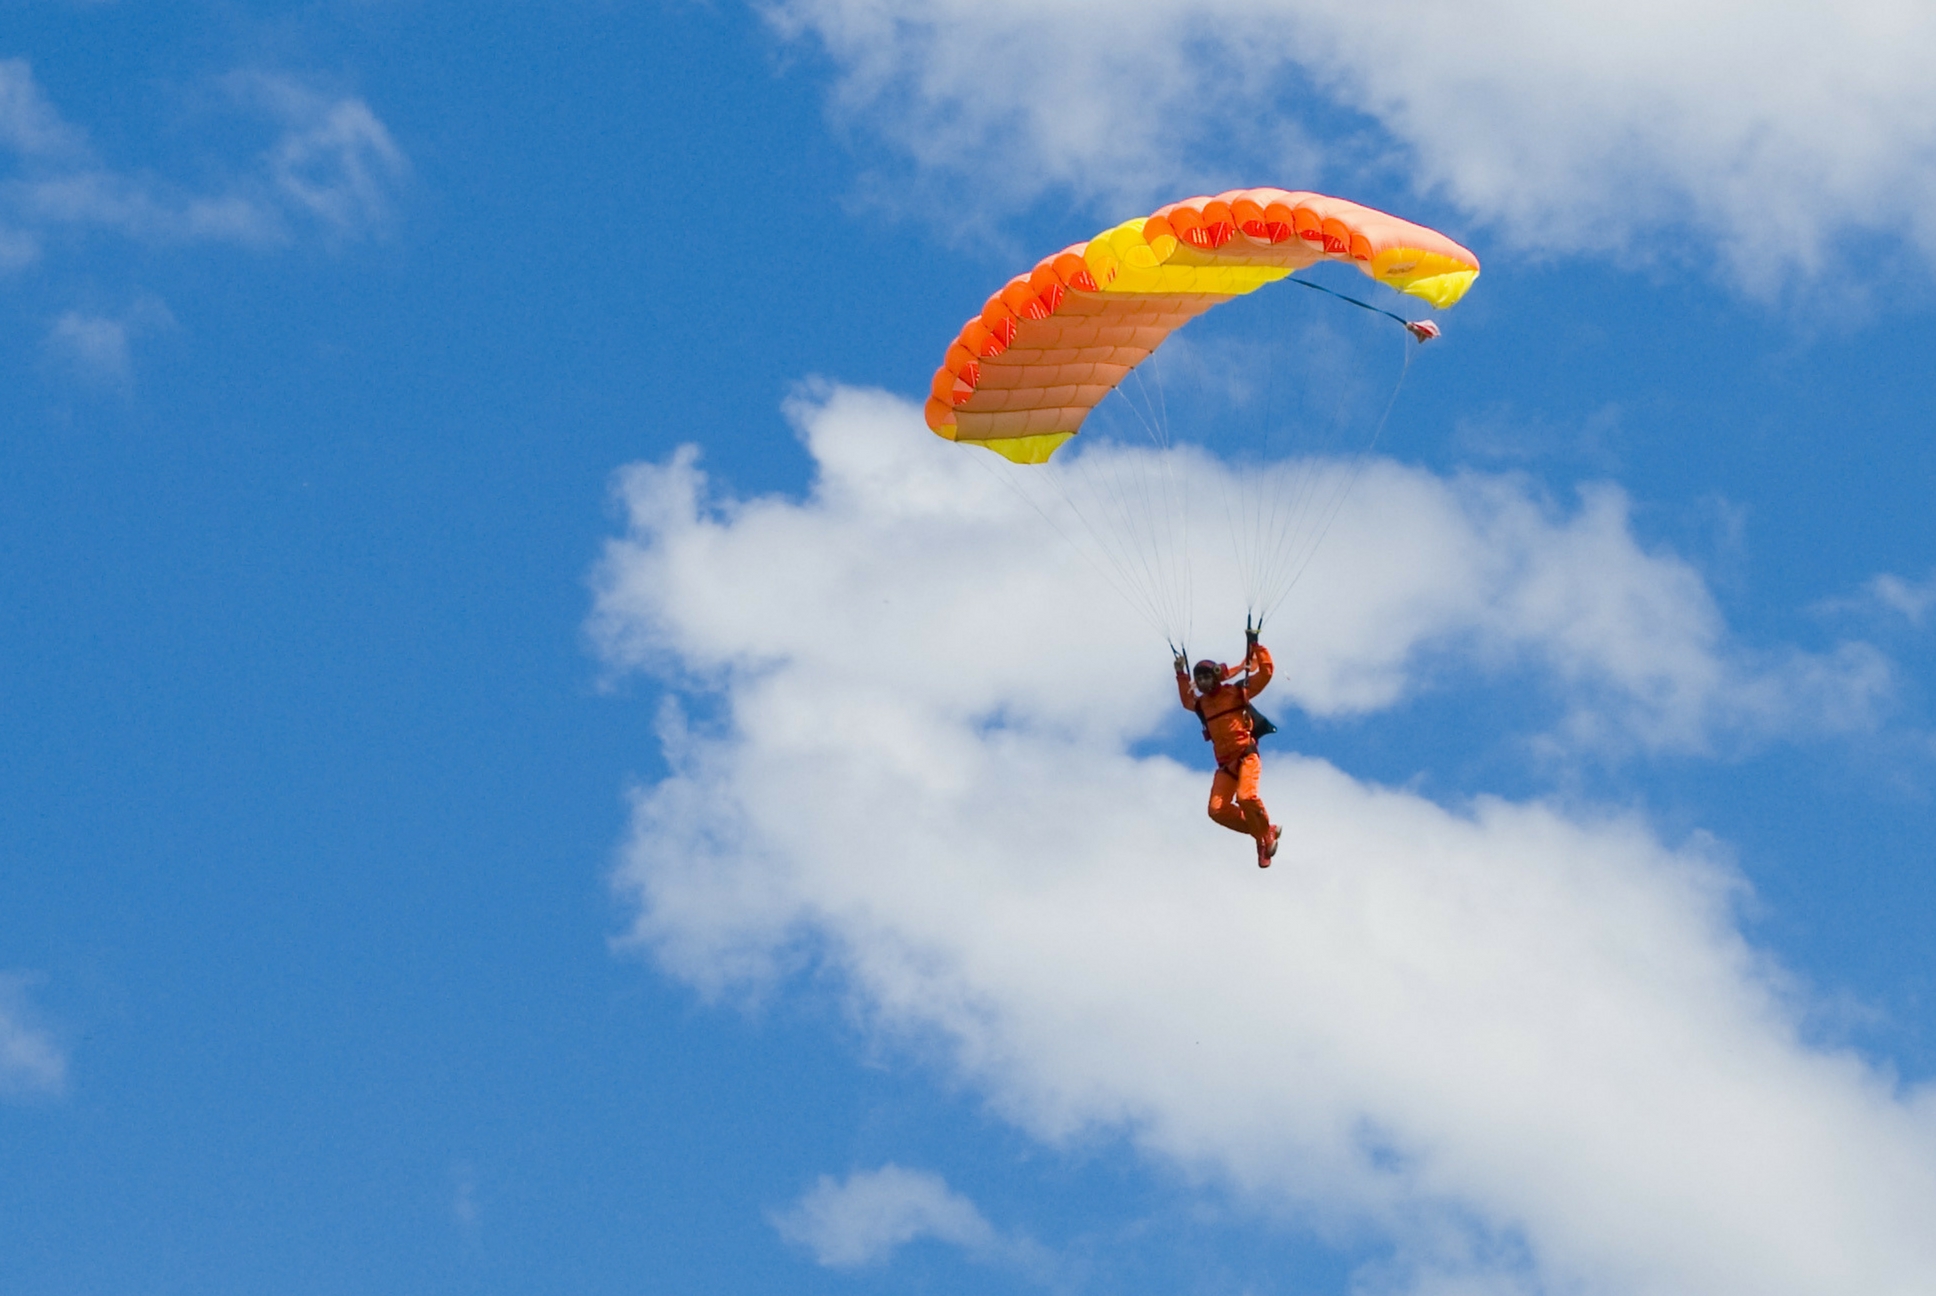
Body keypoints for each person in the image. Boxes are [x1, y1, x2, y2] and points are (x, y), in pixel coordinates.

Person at [1174, 628, 1280, 867]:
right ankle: (1263, 832)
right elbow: (1186, 701)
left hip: (1246, 757)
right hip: (1225, 767)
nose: (1201, 682)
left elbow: (1265, 673)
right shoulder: (1201, 705)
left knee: (1246, 797)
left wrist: (1255, 645)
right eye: (1198, 679)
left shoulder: (1235, 693)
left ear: (1215, 677)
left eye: (1205, 677)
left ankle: (1263, 835)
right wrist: (1180, 672)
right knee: (1217, 811)